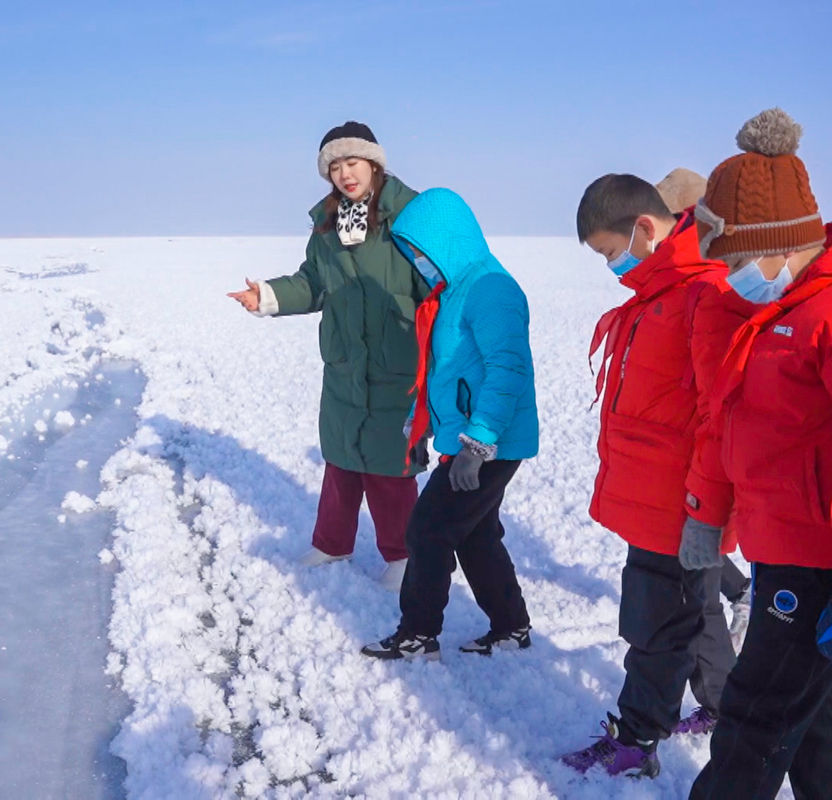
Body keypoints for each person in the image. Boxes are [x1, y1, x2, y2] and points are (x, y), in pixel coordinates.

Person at [559, 175, 739, 778]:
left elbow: (718, 414)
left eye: (611, 252)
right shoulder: (660, 292)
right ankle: (721, 705)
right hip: (657, 497)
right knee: (695, 608)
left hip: (677, 503)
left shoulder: (701, 293)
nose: (612, 266)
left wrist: (702, 510)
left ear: (643, 228)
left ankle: (637, 741)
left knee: (655, 624)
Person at [684, 108, 832, 800]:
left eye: (737, 261)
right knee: (816, 717)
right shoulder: (766, 316)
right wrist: (706, 514)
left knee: (754, 716)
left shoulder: (822, 319)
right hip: (783, 548)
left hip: (817, 567)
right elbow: (727, 422)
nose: (732, 276)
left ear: (776, 246)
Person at [228, 121, 427, 591]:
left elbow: (434, 287)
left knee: (389, 466)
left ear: (373, 162)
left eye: (351, 162)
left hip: (396, 359)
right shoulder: (327, 225)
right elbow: (314, 283)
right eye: (334, 167)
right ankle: (332, 543)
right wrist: (270, 296)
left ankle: (403, 555)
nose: (344, 174)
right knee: (341, 459)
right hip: (344, 361)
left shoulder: (411, 217)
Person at [359, 187, 538, 662]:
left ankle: (418, 633)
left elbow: (507, 369)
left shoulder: (490, 289)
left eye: (421, 251)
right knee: (476, 534)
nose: (419, 263)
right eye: (412, 255)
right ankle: (511, 627)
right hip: (471, 439)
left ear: (447, 241)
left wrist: (476, 445)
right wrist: (424, 435)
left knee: (428, 531)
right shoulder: (456, 291)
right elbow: (448, 374)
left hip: (491, 442)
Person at [656, 169, 754, 653]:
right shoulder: (690, 278)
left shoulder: (712, 285)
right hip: (685, 447)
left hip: (701, 449)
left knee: (698, 559)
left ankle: (720, 696)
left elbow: (717, 402)